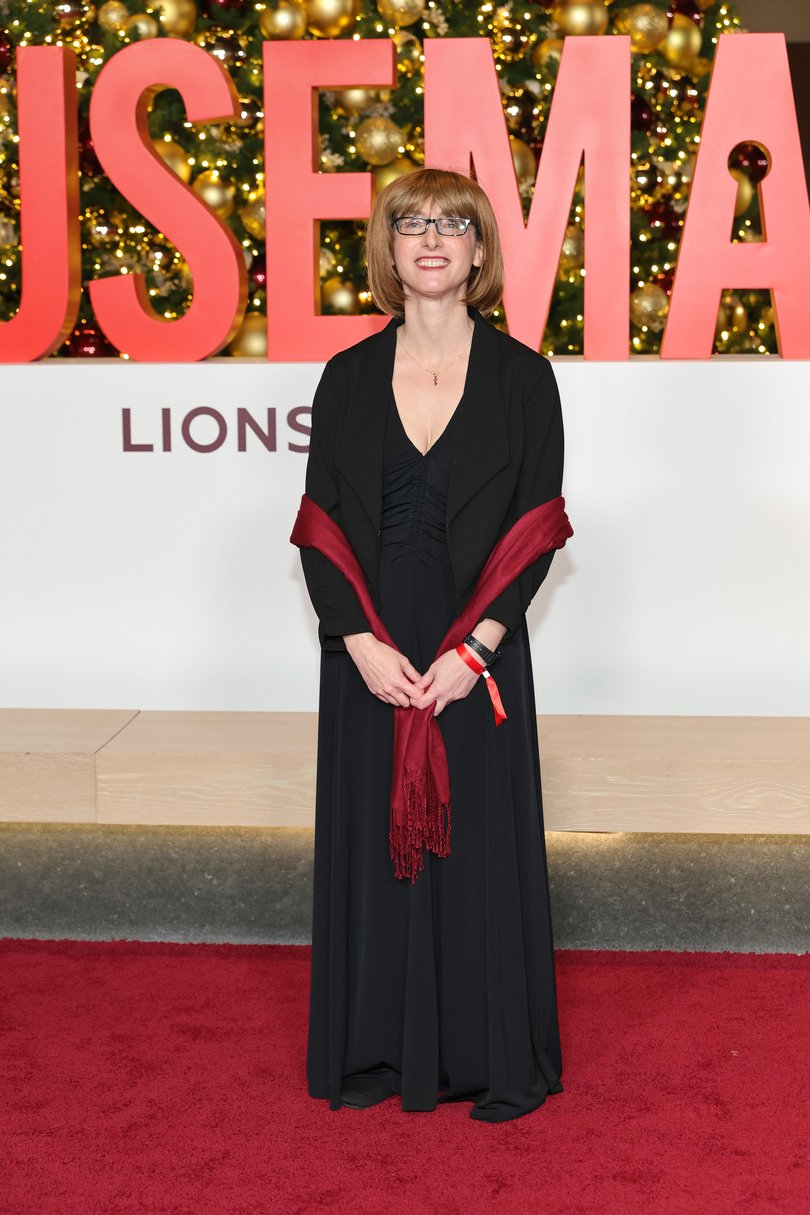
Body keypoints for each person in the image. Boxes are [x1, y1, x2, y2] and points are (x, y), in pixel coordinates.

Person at [296, 166, 567, 1123]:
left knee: (478, 853)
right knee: (376, 848)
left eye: (453, 223)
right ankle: (375, 1051)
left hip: (475, 660)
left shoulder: (525, 378)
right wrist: (356, 640)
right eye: (411, 223)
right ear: (390, 248)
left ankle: (488, 1057)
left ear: (479, 248)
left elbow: (537, 530)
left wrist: (477, 649)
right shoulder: (346, 376)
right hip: (370, 660)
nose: (432, 239)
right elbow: (319, 526)